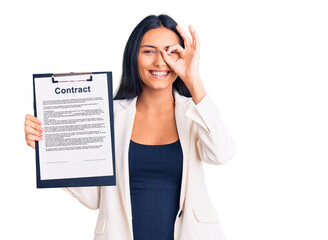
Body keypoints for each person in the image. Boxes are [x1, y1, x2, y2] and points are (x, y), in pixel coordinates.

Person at [24, 14, 235, 240]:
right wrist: (48, 146)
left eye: (170, 51)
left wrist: (194, 80)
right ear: (133, 56)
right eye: (149, 51)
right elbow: (94, 198)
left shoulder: (194, 114)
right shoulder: (108, 115)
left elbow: (221, 154)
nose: (160, 61)